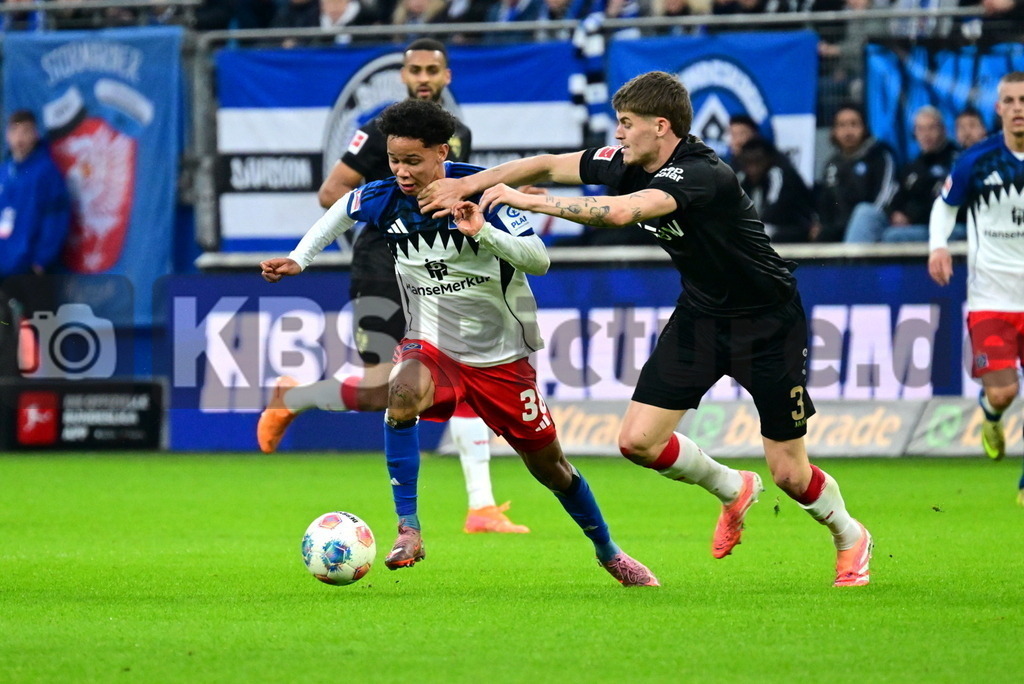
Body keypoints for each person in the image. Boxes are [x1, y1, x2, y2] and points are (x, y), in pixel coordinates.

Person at [420, 70, 873, 587]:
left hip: (768, 325)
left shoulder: (702, 173)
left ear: (661, 126)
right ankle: (733, 487)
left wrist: (531, 201)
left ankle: (850, 536)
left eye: (626, 122)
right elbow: (545, 163)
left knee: (790, 473)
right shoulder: (626, 160)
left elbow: (620, 212)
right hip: (702, 317)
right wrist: (469, 183)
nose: (618, 133)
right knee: (637, 442)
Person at [260, 99, 658, 586]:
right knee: (400, 392)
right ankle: (409, 529)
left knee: (552, 468)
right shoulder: (384, 198)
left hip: (502, 358)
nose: (402, 172)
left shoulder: (486, 191)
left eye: (413, 161)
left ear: (441, 152)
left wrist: (483, 232)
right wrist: (299, 259)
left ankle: (609, 552)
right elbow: (341, 210)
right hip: (432, 345)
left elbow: (538, 259)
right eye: (394, 160)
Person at [257, 40, 526, 535]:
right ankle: (297, 396)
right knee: (383, 387)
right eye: (414, 69)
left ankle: (482, 507)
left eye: (431, 70)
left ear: (446, 77)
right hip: (382, 263)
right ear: (402, 75)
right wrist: (387, 209)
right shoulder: (378, 129)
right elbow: (331, 192)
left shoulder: (457, 135)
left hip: (438, 269)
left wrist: (508, 199)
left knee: (469, 367)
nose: (423, 78)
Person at [928, 72, 1024, 493]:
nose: (1018, 108)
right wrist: (938, 246)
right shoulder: (977, 160)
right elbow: (945, 206)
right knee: (1004, 393)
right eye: (1010, 101)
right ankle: (991, 414)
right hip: (991, 298)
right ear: (999, 108)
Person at [0, 110, 71, 376]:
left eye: (25, 132)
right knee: (6, 330)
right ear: (7, 135)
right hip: (4, 271)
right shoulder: (4, 172)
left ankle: (53, 387)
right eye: (15, 132)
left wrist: (41, 261)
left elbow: (56, 219)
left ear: (35, 135)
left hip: (32, 270)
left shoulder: (46, 172)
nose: (20, 138)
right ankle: (10, 385)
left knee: (43, 327)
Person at [845, 105, 961, 243]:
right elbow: (895, 197)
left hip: (942, 225)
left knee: (892, 236)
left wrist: (910, 216)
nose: (926, 134)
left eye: (931, 128)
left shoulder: (955, 161)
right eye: (921, 129)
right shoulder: (912, 167)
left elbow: (947, 203)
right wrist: (894, 213)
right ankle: (848, 257)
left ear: (943, 130)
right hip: (908, 225)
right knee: (865, 212)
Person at [814, 103, 897, 242]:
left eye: (854, 124)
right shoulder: (832, 164)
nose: (848, 131)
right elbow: (825, 203)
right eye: (842, 125)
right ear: (834, 131)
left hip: (872, 223)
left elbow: (884, 197)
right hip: (840, 228)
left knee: (863, 212)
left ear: (864, 127)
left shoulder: (879, 156)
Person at [734, 137, 815, 243]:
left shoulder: (780, 175)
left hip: (791, 228)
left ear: (768, 160)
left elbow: (774, 208)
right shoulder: (741, 178)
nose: (753, 169)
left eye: (758, 162)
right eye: (748, 163)